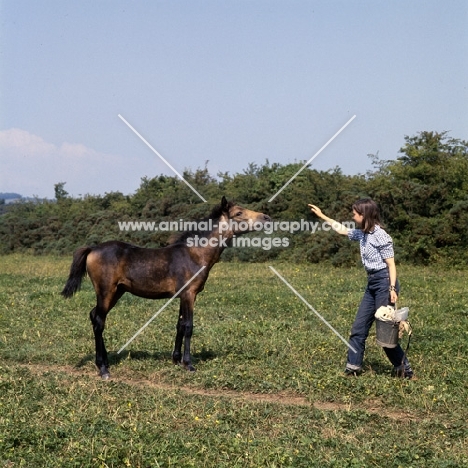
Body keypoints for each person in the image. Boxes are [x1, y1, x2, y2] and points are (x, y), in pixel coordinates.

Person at [308, 199, 414, 379]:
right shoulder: (363, 234)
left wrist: (391, 289)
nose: (352, 215)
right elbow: (341, 229)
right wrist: (321, 215)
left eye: (355, 213)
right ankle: (353, 368)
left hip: (385, 283)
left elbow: (391, 264)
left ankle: (405, 370)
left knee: (385, 332)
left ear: (364, 215)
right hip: (372, 283)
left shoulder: (381, 235)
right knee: (358, 329)